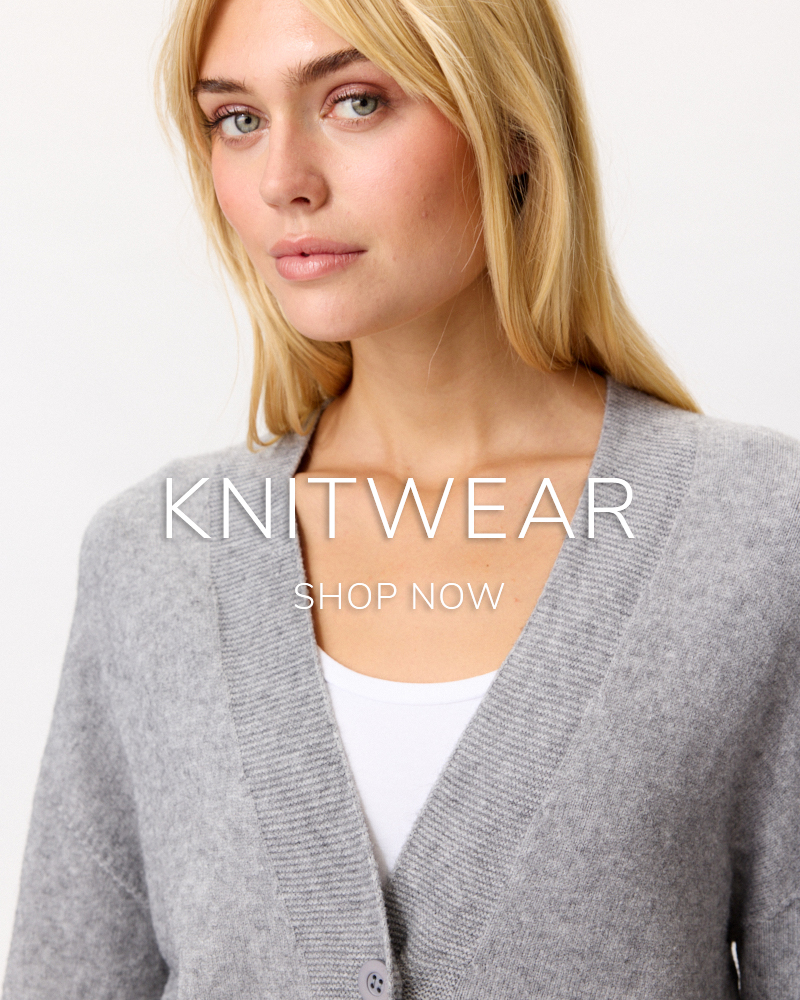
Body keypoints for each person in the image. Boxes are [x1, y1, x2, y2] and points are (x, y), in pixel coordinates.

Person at [3, 0, 799, 995]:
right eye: (236, 119)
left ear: (514, 129)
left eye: (356, 101)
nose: (284, 180)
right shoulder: (153, 558)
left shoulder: (756, 531)